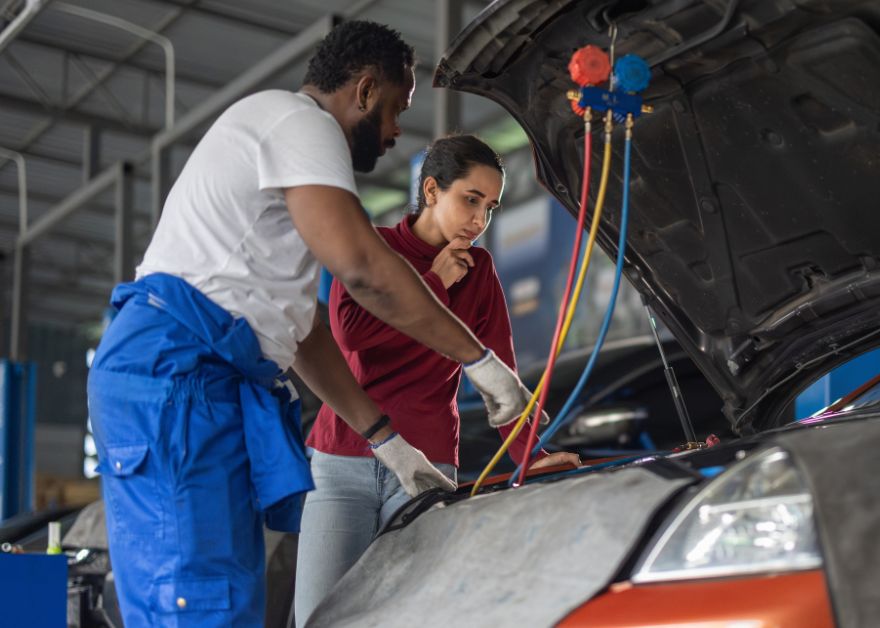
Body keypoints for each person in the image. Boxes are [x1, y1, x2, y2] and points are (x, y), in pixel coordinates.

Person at [87, 22, 535, 627]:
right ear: (365, 90)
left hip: (207, 374)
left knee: (228, 599)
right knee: (200, 602)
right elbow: (366, 273)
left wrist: (386, 439)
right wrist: (479, 361)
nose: (398, 130)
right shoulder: (301, 124)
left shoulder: (289, 182)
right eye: (398, 110)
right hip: (177, 368)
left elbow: (302, 333)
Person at [293, 135, 582, 625]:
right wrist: (435, 282)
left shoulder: (482, 271)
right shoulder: (373, 247)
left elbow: (501, 375)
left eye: (490, 207)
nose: (479, 220)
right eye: (471, 200)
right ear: (431, 190)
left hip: (428, 467)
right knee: (317, 617)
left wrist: (530, 457)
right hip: (342, 460)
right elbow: (353, 335)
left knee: (410, 616)